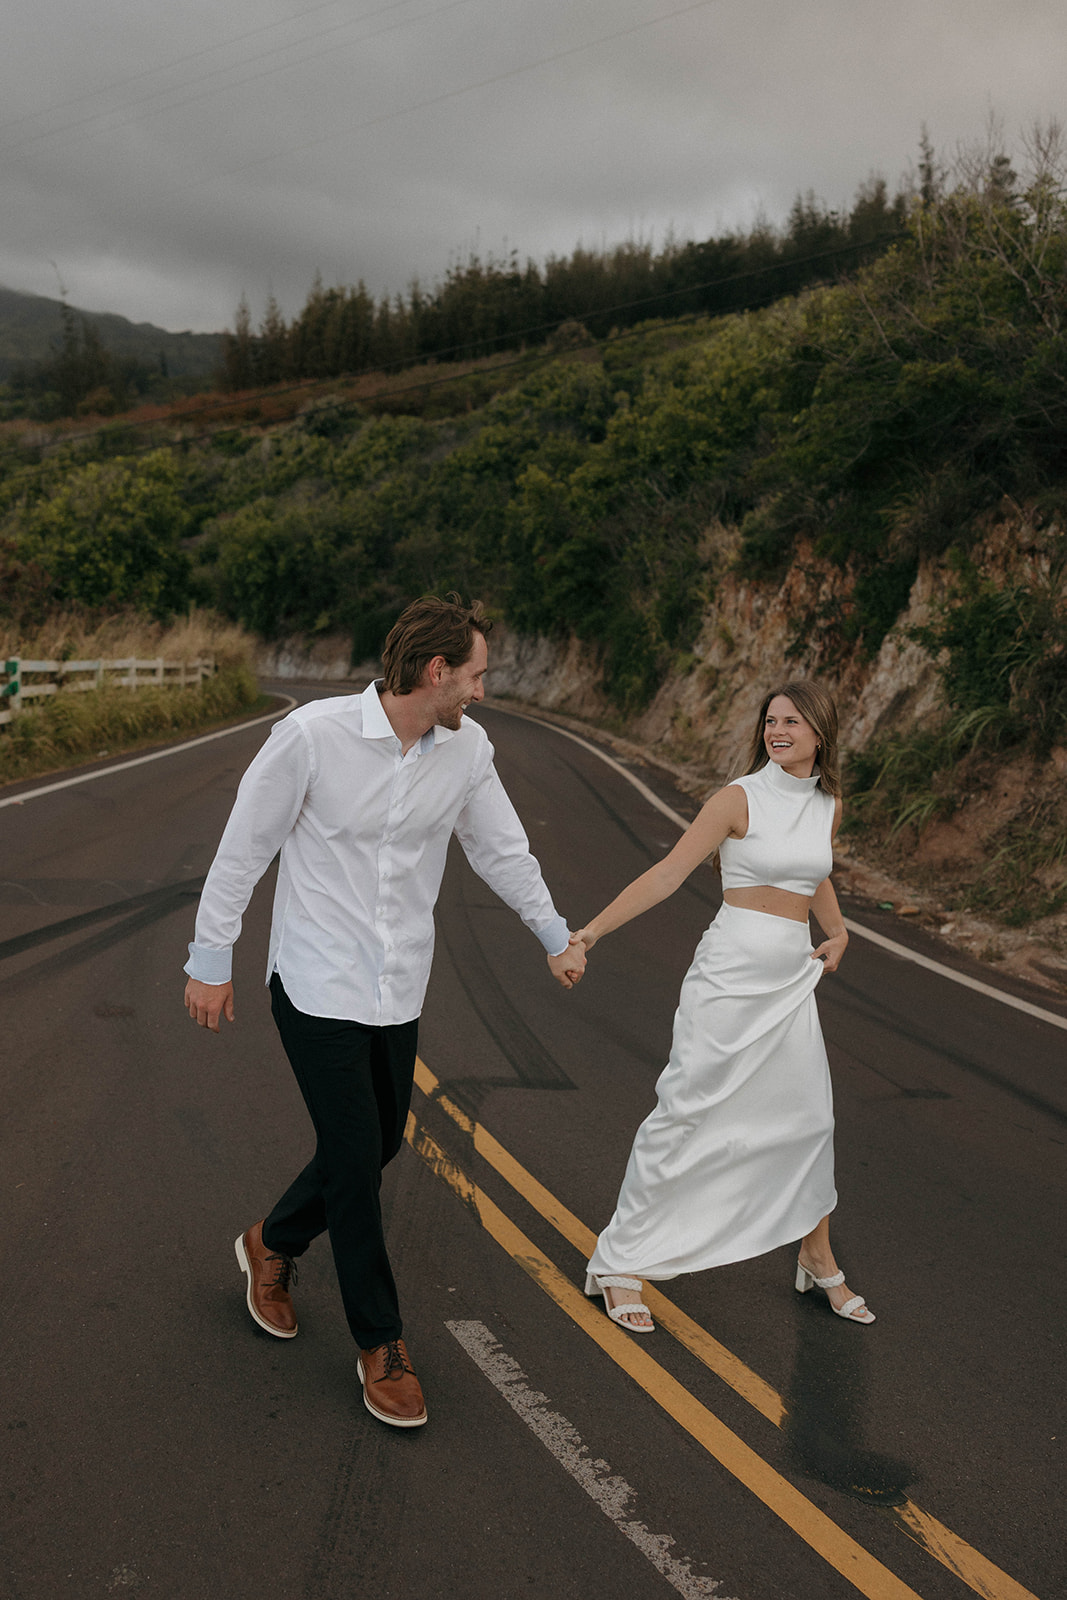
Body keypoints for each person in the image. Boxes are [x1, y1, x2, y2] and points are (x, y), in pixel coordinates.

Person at [183, 594, 586, 1428]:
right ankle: (381, 1343)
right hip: (316, 981)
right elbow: (242, 849)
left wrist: (553, 931)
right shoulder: (311, 738)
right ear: (436, 671)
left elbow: (500, 848)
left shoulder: (466, 752)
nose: (481, 690)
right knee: (356, 1153)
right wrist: (209, 960)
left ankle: (273, 1240)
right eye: (475, 674)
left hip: (398, 983)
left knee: (382, 1143)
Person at [570, 680, 874, 1334]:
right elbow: (666, 874)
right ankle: (618, 1262)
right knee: (684, 1114)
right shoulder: (737, 797)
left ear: (820, 732)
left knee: (809, 1120)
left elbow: (812, 869)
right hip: (730, 973)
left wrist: (839, 929)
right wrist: (591, 931)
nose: (778, 730)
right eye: (770, 720)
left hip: (789, 974)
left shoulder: (827, 803)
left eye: (792, 720)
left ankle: (816, 1257)